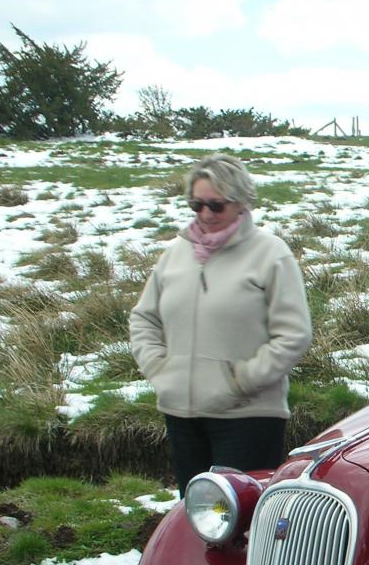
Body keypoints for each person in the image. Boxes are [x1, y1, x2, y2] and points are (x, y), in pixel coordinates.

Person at [130, 153, 312, 495]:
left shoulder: (271, 254)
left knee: (243, 526)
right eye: (196, 205)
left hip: (248, 418)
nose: (205, 215)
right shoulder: (175, 255)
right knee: (195, 517)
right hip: (182, 415)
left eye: (216, 205)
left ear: (240, 203)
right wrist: (160, 369)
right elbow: (144, 318)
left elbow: (294, 334)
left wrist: (239, 380)